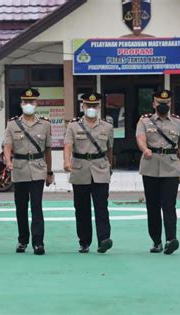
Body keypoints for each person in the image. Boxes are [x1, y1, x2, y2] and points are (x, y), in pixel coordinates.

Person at [3, 88, 54, 255]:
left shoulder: (45, 124)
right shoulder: (12, 124)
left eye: (32, 102)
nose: (29, 105)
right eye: (26, 102)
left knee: (37, 207)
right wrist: (8, 160)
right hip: (19, 168)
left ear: (37, 103)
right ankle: (22, 240)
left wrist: (49, 171)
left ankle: (38, 243)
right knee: (21, 207)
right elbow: (8, 145)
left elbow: (47, 150)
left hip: (38, 168)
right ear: (21, 104)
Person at [136, 89, 180, 255]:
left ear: (170, 104)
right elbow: (140, 138)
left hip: (171, 167)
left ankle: (171, 239)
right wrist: (145, 150)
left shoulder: (179, 122)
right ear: (153, 104)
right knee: (152, 206)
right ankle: (156, 241)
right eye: (159, 103)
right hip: (150, 166)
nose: (162, 105)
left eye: (166, 103)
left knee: (169, 205)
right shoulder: (144, 121)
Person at [63, 92, 114, 254]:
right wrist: (66, 161)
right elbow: (68, 145)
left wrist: (109, 166)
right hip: (80, 169)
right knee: (82, 208)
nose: (91, 109)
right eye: (88, 106)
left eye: (94, 106)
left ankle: (104, 239)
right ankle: (84, 241)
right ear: (82, 106)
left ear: (99, 107)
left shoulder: (107, 126)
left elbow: (110, 149)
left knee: (101, 207)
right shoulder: (73, 126)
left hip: (100, 168)